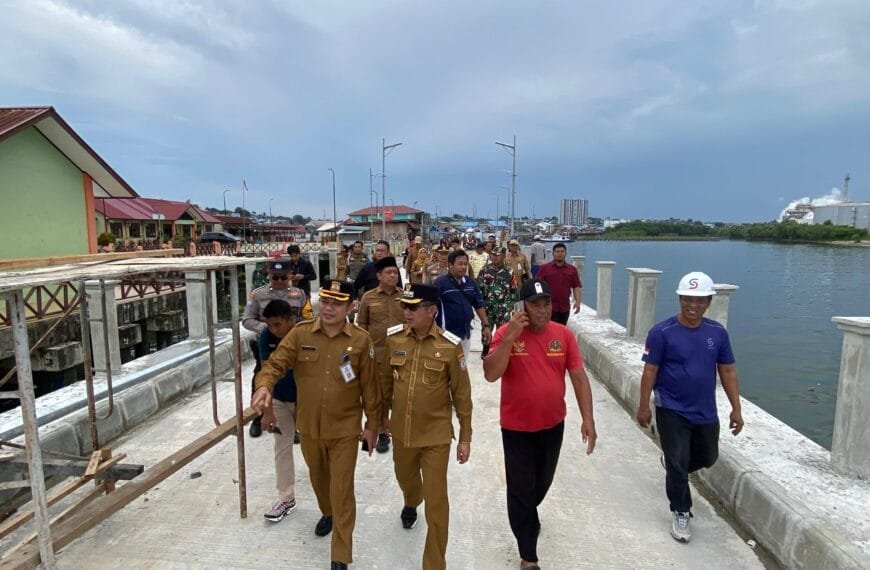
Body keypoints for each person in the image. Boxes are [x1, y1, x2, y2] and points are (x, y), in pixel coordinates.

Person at [251, 281, 381, 570]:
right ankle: (327, 513)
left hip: (345, 429)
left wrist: (373, 425)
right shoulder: (300, 334)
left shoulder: (361, 341)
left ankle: (340, 554)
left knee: (342, 489)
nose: (329, 307)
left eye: (337, 303)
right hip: (309, 427)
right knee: (320, 481)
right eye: (325, 301)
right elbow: (275, 364)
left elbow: (371, 387)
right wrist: (264, 385)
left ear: (351, 307)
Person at [483, 279, 597, 570]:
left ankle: (527, 517)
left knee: (541, 485)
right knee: (520, 490)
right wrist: (510, 337)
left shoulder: (564, 335)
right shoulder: (507, 333)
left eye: (546, 303)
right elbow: (491, 374)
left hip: (552, 426)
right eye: (535, 304)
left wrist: (588, 419)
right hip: (516, 428)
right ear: (523, 307)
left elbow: (579, 378)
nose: (542, 310)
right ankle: (528, 557)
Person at [635, 271, 743, 544]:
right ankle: (681, 510)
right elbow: (650, 370)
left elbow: (728, 370)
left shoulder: (717, 333)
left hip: (704, 410)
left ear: (708, 302)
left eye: (699, 301)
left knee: (707, 457)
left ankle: (674, 466)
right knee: (678, 463)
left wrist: (736, 408)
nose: (692, 306)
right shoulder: (662, 332)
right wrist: (643, 406)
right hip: (671, 408)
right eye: (687, 300)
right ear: (680, 299)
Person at [383, 283, 473, 570]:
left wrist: (465, 438)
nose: (407, 313)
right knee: (405, 479)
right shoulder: (394, 340)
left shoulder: (450, 346)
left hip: (435, 435)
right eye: (405, 307)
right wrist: (378, 421)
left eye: (413, 308)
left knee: (437, 501)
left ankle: (434, 563)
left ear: (432, 311)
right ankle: (412, 499)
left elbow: (462, 395)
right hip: (401, 432)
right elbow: (384, 384)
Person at [242, 257, 306, 437]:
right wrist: (268, 329)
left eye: (283, 277)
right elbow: (247, 319)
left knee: (295, 379)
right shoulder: (258, 294)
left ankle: (293, 422)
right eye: (275, 277)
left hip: (293, 343)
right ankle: (258, 416)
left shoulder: (299, 294)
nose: (279, 281)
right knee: (262, 376)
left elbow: (306, 318)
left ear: (289, 276)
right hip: (266, 343)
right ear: (269, 276)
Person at [258, 300, 300, 523]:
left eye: (277, 325)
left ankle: (331, 497)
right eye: (270, 325)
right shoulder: (266, 336)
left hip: (307, 400)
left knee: (319, 449)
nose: (274, 330)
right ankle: (286, 497)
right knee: (282, 448)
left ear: (290, 320)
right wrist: (268, 412)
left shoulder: (307, 334)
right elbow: (267, 371)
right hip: (280, 399)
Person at [357, 256, 404, 454]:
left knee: (401, 394)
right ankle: (382, 432)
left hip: (402, 355)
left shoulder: (405, 296)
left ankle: (399, 429)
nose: (393, 276)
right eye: (389, 273)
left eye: (395, 272)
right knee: (380, 396)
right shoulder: (368, 297)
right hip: (378, 355)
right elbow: (362, 325)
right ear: (379, 276)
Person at [433, 249, 491, 358]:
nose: (463, 267)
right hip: (446, 335)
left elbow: (478, 304)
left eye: (465, 264)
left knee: (462, 366)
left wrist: (486, 325)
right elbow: (431, 308)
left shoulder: (470, 282)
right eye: (460, 264)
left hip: (465, 334)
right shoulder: (440, 283)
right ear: (450, 265)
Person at [477, 247, 517, 358]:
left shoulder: (509, 271)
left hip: (503, 307)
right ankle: (486, 349)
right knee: (486, 330)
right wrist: (480, 305)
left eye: (498, 255)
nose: (495, 257)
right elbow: (479, 289)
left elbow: (513, 289)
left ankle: (500, 351)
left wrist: (512, 306)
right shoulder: (485, 270)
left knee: (503, 331)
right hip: (488, 307)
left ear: (504, 256)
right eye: (493, 254)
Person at [535, 243, 581, 325]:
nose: (560, 253)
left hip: (565, 307)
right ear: (553, 253)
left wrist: (577, 302)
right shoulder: (545, 268)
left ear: (566, 253)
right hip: (549, 307)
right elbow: (537, 284)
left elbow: (576, 286)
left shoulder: (572, 269)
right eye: (557, 251)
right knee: (549, 330)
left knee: (562, 329)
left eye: (562, 251)